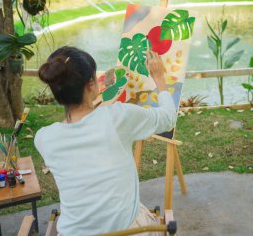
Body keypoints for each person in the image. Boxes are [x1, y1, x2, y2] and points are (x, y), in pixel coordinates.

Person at [34, 46, 176, 236]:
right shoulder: (118, 118)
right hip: (123, 231)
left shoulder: (44, 139)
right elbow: (168, 118)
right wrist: (159, 77)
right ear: (91, 84)